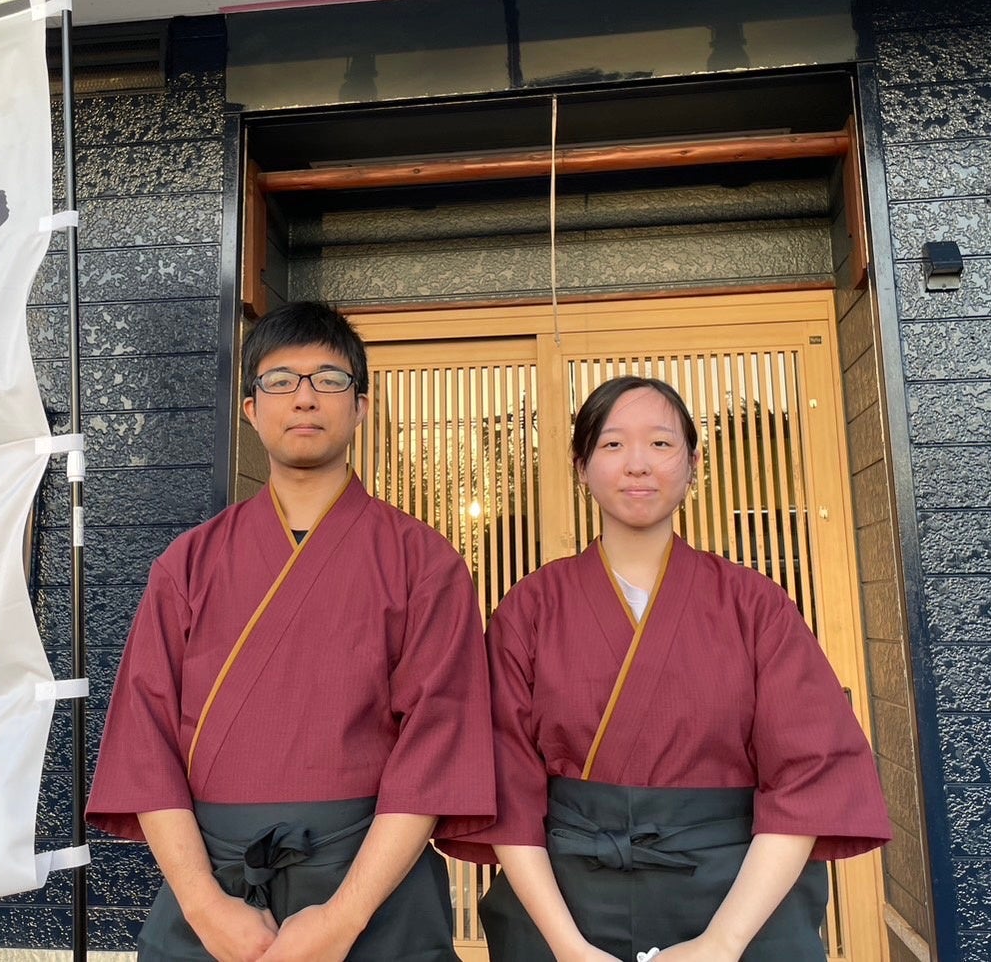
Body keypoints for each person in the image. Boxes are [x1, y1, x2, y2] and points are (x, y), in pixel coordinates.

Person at [88, 301, 494, 962]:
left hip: (371, 888)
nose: (305, 398)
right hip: (216, 888)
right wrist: (205, 907)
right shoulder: (187, 564)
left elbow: (436, 751)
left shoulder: (424, 562)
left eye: (329, 380)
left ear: (361, 407)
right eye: (281, 380)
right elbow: (144, 743)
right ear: (251, 410)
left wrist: (343, 917)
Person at [437, 375, 890, 962]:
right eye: (612, 444)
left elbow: (810, 775)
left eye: (660, 443)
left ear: (694, 464)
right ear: (581, 467)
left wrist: (723, 942)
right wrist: (568, 948)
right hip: (567, 900)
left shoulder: (754, 604)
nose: (638, 464)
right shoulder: (532, 607)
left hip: (737, 896)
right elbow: (507, 785)